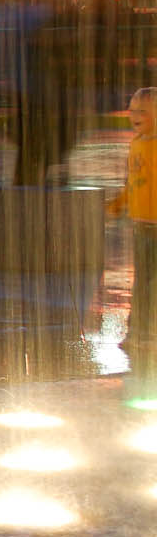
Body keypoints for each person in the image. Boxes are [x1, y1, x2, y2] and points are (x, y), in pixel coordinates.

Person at [109, 87, 157, 347]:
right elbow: (131, 183)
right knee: (142, 282)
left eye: (142, 111)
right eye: (132, 110)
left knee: (151, 283)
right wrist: (117, 205)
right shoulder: (136, 144)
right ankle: (137, 332)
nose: (135, 115)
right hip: (141, 225)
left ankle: (148, 332)